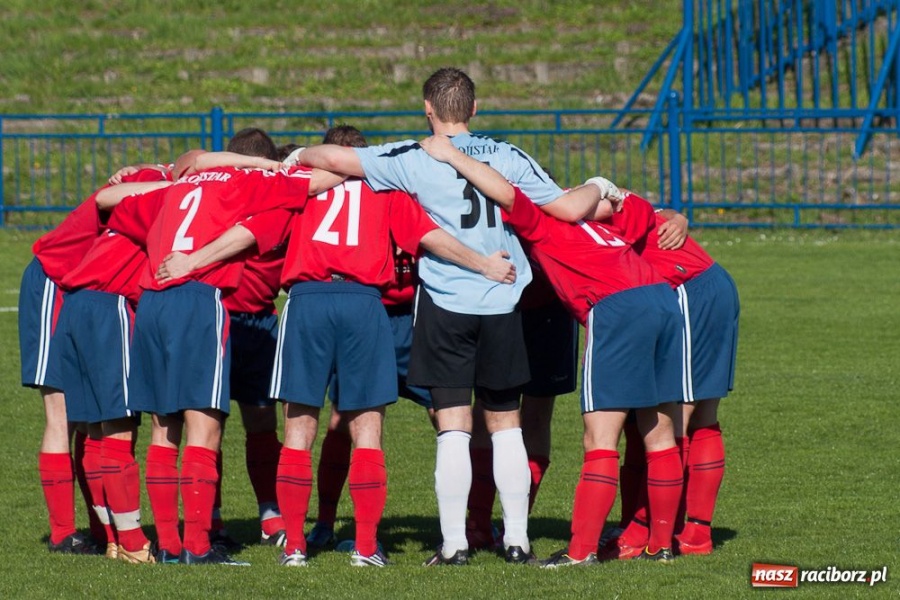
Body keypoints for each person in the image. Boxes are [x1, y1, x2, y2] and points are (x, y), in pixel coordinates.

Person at [153, 132, 517, 569]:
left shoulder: (302, 184)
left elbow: (250, 231)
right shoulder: (384, 184)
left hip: (307, 302)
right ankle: (365, 548)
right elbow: (429, 237)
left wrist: (192, 260)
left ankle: (294, 547)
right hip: (364, 304)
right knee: (367, 429)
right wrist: (483, 264)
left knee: (299, 430)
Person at [297, 67, 608, 566]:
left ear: (428, 109)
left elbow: (331, 157)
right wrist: (600, 188)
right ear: (475, 109)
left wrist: (299, 156)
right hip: (504, 300)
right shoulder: (509, 155)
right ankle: (517, 541)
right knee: (507, 424)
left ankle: (454, 544)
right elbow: (566, 208)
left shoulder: (413, 157)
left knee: (454, 427)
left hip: (445, 304)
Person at [417, 133, 685, 566]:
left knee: (599, 437)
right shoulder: (599, 218)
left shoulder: (540, 221)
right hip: (661, 299)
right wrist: (607, 187)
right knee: (660, 428)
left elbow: (504, 192)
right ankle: (663, 546)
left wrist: (449, 153)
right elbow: (652, 215)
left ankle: (579, 553)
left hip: (614, 308)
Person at [100, 148, 340, 566]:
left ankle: (170, 546)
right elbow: (320, 180)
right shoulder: (242, 183)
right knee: (204, 427)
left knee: (163, 430)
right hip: (196, 298)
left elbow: (113, 203)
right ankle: (197, 545)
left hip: (152, 303)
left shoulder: (176, 187)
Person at [302, 125, 437, 552]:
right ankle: (326, 522)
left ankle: (469, 525)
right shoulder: (331, 197)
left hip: (410, 319)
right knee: (343, 423)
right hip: (366, 314)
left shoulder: (398, 188)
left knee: (449, 417)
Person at [597, 192, 739, 558]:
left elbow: (657, 211)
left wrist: (677, 218)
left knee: (674, 418)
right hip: (703, 285)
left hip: (688, 290)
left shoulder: (575, 208)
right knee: (692, 416)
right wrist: (677, 217)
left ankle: (657, 529)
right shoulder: (584, 201)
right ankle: (688, 531)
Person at [50, 166, 170, 563]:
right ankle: (134, 544)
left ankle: (113, 540)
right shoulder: (162, 205)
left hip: (75, 307)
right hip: (108, 308)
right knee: (118, 431)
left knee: (95, 432)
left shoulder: (119, 220)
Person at [18, 180, 146, 555]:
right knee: (62, 414)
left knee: (93, 413)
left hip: (85, 294)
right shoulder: (151, 183)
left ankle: (101, 528)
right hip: (53, 283)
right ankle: (62, 532)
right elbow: (104, 198)